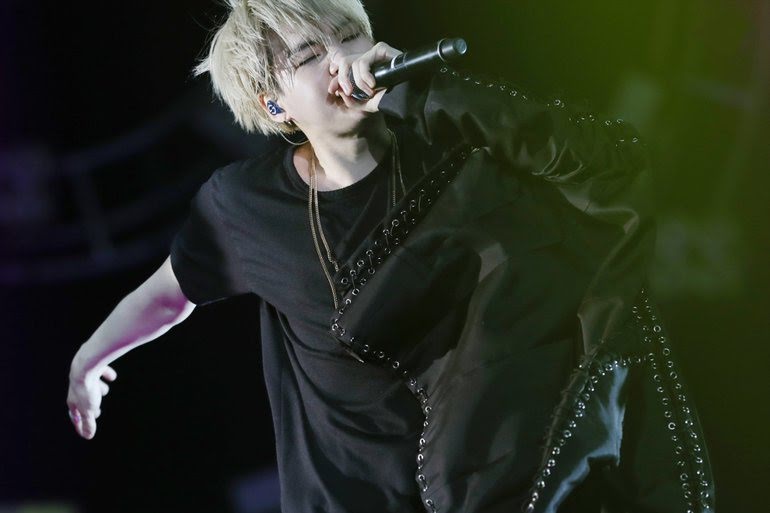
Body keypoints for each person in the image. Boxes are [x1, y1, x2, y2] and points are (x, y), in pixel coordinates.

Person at [67, 1, 716, 512]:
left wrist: (432, 95)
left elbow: (607, 166)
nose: (341, 61)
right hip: (345, 496)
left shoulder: (457, 146)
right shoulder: (245, 205)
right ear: (273, 103)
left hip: (490, 486)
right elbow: (170, 293)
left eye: (350, 36)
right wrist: (90, 358)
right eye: (309, 55)